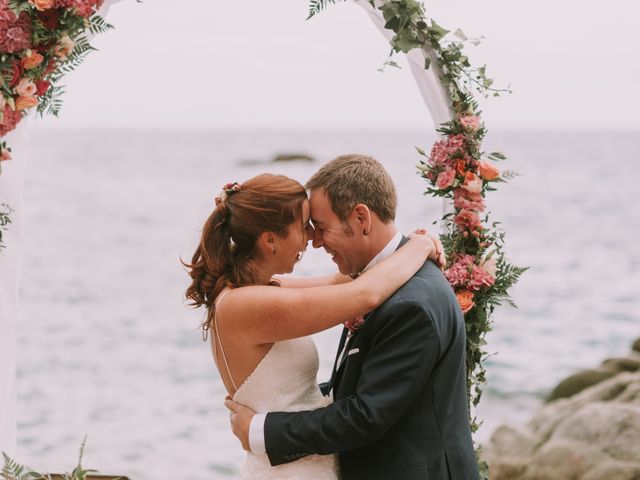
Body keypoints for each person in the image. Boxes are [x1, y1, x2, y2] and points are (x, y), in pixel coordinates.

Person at [225, 155, 480, 480]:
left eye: (322, 227)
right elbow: (363, 384)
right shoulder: (381, 282)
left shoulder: (409, 304)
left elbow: (365, 416)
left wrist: (262, 430)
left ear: (361, 218)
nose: (315, 241)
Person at [184, 172, 442, 479]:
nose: (312, 237)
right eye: (304, 224)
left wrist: (401, 245)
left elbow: (344, 279)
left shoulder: (262, 290)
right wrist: (420, 247)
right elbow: (365, 293)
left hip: (295, 459)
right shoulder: (246, 305)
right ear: (270, 240)